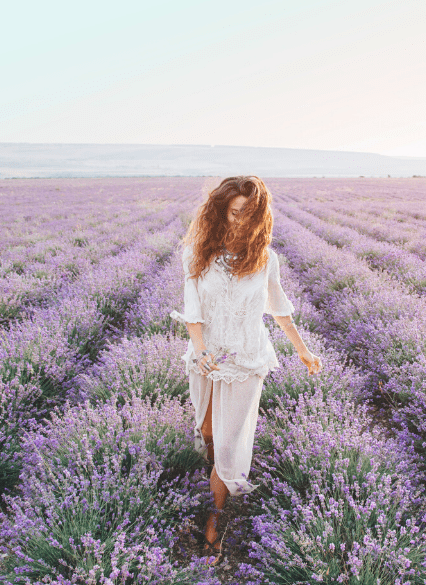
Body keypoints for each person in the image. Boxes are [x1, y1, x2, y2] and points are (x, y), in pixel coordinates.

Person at [169, 175, 322, 561]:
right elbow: (193, 310)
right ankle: (213, 464)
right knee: (205, 428)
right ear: (221, 210)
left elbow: (280, 309)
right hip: (206, 356)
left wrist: (303, 350)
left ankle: (214, 523)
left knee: (227, 444)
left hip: (247, 359)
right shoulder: (197, 252)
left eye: (250, 214)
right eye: (235, 212)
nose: (241, 221)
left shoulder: (266, 258)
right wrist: (201, 350)